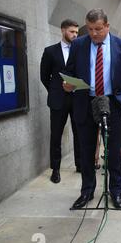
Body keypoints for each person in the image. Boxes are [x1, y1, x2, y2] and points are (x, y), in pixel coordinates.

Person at [63, 9, 121, 210]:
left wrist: (120, 101)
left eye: (98, 29)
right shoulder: (78, 45)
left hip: (112, 103)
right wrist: (67, 84)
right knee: (86, 151)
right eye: (90, 29)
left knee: (113, 151)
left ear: (107, 26)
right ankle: (87, 191)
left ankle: (116, 192)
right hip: (85, 102)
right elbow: (69, 71)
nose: (94, 33)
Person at [40, 19, 81, 183]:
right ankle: (55, 169)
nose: (75, 35)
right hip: (58, 100)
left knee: (79, 133)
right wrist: (55, 90)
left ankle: (80, 165)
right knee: (56, 134)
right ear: (63, 30)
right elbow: (44, 76)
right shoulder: (50, 51)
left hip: (77, 98)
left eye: (77, 32)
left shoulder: (80, 51)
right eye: (72, 31)